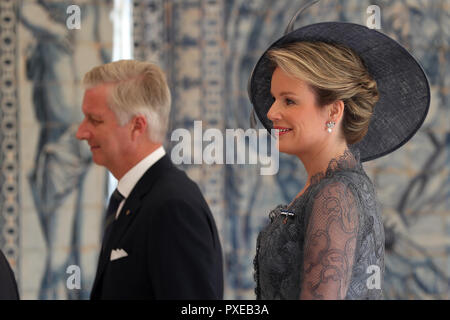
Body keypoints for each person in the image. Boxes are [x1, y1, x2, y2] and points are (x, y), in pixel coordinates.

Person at [248, 3, 430, 299]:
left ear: (333, 111)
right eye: (273, 98)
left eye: (288, 101)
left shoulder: (335, 195)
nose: (271, 112)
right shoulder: (331, 187)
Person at [76, 60, 224, 299]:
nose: (80, 132)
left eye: (95, 120)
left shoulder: (172, 206)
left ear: (137, 126)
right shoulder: (132, 198)